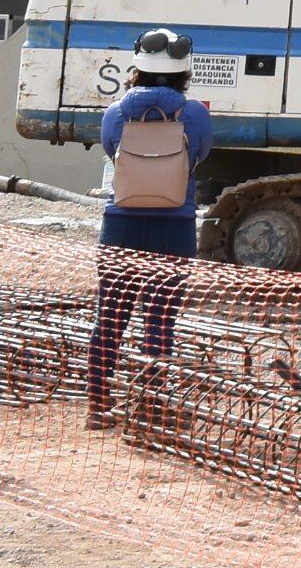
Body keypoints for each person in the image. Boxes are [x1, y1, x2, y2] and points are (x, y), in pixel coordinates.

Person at [88, 27, 213, 425]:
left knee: (110, 316)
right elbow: (201, 154)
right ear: (183, 72)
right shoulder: (194, 114)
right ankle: (151, 404)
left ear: (137, 68)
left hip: (121, 223)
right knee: (160, 318)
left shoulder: (115, 111)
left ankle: (98, 406)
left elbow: (111, 150)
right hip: (173, 224)